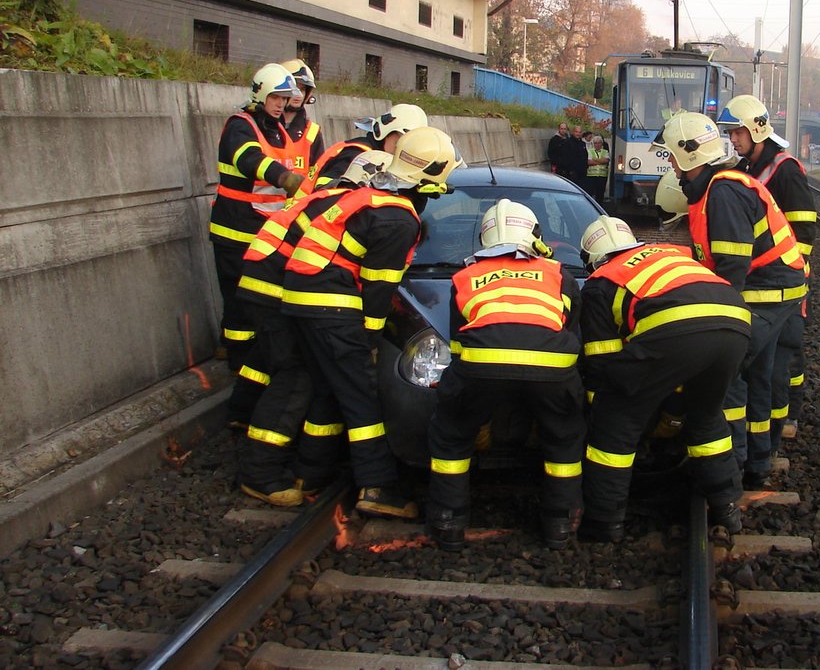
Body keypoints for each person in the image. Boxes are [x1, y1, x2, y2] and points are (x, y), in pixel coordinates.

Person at [281, 127, 461, 518]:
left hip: (301, 299)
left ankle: (308, 474)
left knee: (329, 390)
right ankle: (377, 487)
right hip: (331, 305)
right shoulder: (398, 220)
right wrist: (371, 340)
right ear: (429, 177)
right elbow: (378, 292)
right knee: (361, 397)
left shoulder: (371, 199)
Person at [653, 112, 807, 490]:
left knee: (727, 366)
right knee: (756, 375)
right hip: (772, 287)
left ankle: (732, 465)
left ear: (689, 155)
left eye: (672, 156)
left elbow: (731, 272)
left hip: (768, 290)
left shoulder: (722, 193)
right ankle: (755, 462)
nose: (670, 164)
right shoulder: (717, 190)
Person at [577, 216, 750, 542]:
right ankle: (727, 505)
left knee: (616, 420)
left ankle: (604, 523)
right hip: (736, 321)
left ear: (593, 259)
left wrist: (599, 409)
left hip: (674, 326)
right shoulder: (668, 253)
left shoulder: (602, 280)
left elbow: (603, 365)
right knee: (705, 415)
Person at [425, 199, 585, 550]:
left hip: (481, 362)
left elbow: (458, 345)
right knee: (564, 437)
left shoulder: (465, 276)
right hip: (552, 366)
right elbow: (571, 333)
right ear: (533, 234)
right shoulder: (560, 274)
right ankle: (560, 524)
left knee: (451, 434)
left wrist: (462, 400)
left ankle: (448, 522)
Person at [234, 160, 372, 506]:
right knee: (294, 375)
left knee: (303, 372)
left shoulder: (328, 199)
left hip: (267, 280)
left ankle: (306, 468)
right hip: (275, 288)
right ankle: (260, 473)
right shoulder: (347, 209)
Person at [211, 63, 307, 428]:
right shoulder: (241, 125)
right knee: (239, 312)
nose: (282, 104)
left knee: (256, 308)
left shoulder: (277, 128)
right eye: (276, 97)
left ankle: (250, 371)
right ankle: (237, 366)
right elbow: (249, 160)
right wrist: (284, 178)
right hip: (235, 233)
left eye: (285, 98)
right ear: (260, 94)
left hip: (263, 235)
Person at [717, 94, 817, 442]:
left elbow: (803, 229)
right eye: (730, 133)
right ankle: (770, 434)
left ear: (757, 130)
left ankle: (787, 416)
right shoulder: (747, 170)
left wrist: (793, 271)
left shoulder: (785, 170)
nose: (733, 139)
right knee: (766, 363)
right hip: (761, 280)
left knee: (784, 355)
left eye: (737, 132)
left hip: (784, 280)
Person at [299, 103, 428, 195]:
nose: (402, 150)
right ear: (385, 133)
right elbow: (325, 191)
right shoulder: (357, 154)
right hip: (302, 222)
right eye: (400, 142)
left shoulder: (381, 157)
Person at [279, 59, 325, 177]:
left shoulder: (313, 132)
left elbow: (317, 175)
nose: (299, 94)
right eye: (294, 88)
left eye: (303, 89)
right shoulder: (264, 126)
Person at [585, 133, 609, 202]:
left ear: (602, 144)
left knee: (600, 194)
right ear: (593, 144)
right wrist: (601, 161)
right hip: (591, 176)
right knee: (590, 193)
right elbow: (589, 162)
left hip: (602, 176)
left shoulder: (605, 151)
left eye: (599, 143)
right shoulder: (589, 151)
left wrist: (595, 160)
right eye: (595, 143)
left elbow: (606, 160)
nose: (597, 144)